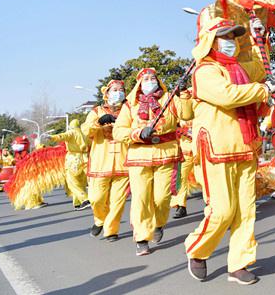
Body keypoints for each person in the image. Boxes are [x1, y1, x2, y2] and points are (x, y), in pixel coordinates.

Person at [184, 13, 275, 285]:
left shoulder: (240, 67)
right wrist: (261, 91)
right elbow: (227, 95)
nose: (230, 42)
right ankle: (197, 249)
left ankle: (239, 264)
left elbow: (260, 65)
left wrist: (260, 36)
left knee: (246, 210)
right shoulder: (204, 70)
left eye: (233, 36)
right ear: (211, 40)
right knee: (222, 210)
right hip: (217, 148)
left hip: (246, 146)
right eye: (224, 36)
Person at [113, 68, 193, 256]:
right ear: (139, 83)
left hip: (166, 154)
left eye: (153, 78)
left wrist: (182, 94)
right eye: (146, 78)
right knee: (140, 198)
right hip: (139, 157)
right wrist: (138, 133)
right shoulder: (129, 105)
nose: (150, 81)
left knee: (162, 198)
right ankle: (141, 237)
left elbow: (187, 115)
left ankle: (158, 223)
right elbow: (118, 132)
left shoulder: (169, 98)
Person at [81, 79, 130, 242]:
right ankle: (100, 220)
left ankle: (111, 230)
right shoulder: (96, 111)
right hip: (100, 163)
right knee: (96, 198)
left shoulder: (129, 110)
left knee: (117, 202)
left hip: (123, 163)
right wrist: (99, 122)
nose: (118, 92)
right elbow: (86, 130)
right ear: (107, 94)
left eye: (121, 89)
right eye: (114, 90)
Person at [48, 120, 90, 210]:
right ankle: (77, 203)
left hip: (74, 159)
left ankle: (85, 199)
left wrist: (51, 137)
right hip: (85, 158)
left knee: (72, 182)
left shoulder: (72, 132)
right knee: (81, 182)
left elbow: (63, 136)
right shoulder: (84, 134)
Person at [171, 101, 198, 219]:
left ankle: (212, 204)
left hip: (202, 150)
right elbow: (171, 126)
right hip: (185, 151)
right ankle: (181, 206)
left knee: (205, 177)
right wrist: (183, 131)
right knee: (181, 178)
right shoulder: (179, 110)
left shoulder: (202, 108)